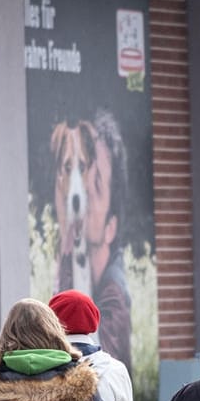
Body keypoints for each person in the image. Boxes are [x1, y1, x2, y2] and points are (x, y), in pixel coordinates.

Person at [54, 112, 134, 366]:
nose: (84, 190)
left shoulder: (114, 300)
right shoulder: (81, 270)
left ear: (111, 227)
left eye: (96, 181)